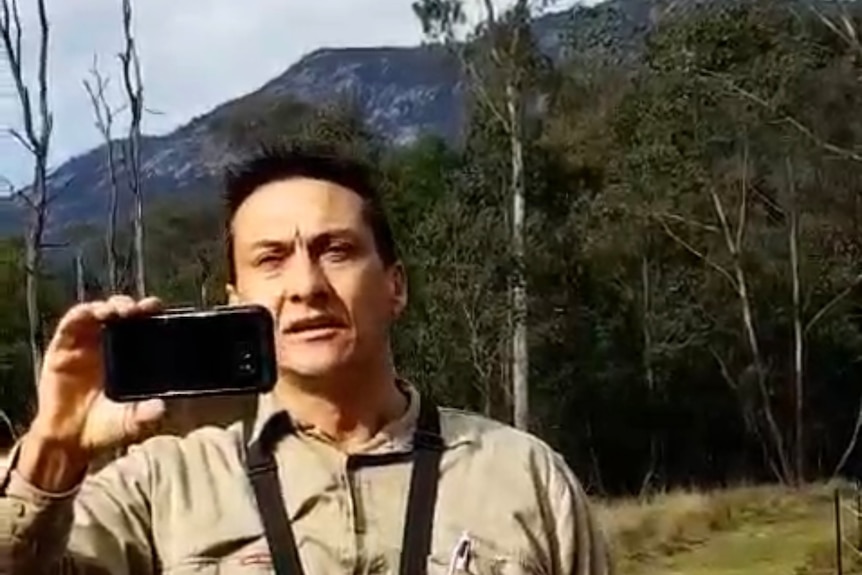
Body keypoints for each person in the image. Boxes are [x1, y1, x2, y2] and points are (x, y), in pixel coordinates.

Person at [0, 144, 611, 575]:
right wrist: (53, 448)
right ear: (237, 303)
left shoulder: (524, 477)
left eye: (336, 250)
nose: (306, 285)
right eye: (271, 258)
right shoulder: (162, 486)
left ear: (395, 285)